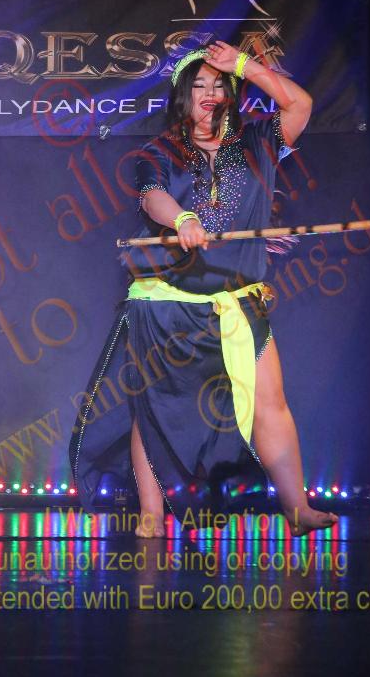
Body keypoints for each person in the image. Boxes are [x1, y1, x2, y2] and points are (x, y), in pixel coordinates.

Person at [69, 41, 338, 538]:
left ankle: (297, 508)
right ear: (182, 97)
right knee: (153, 408)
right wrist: (183, 219)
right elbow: (152, 197)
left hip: (237, 301)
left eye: (219, 85)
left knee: (270, 403)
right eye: (199, 85)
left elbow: (300, 104)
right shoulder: (159, 152)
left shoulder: (259, 141)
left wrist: (245, 65)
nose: (210, 93)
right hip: (165, 303)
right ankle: (152, 513)